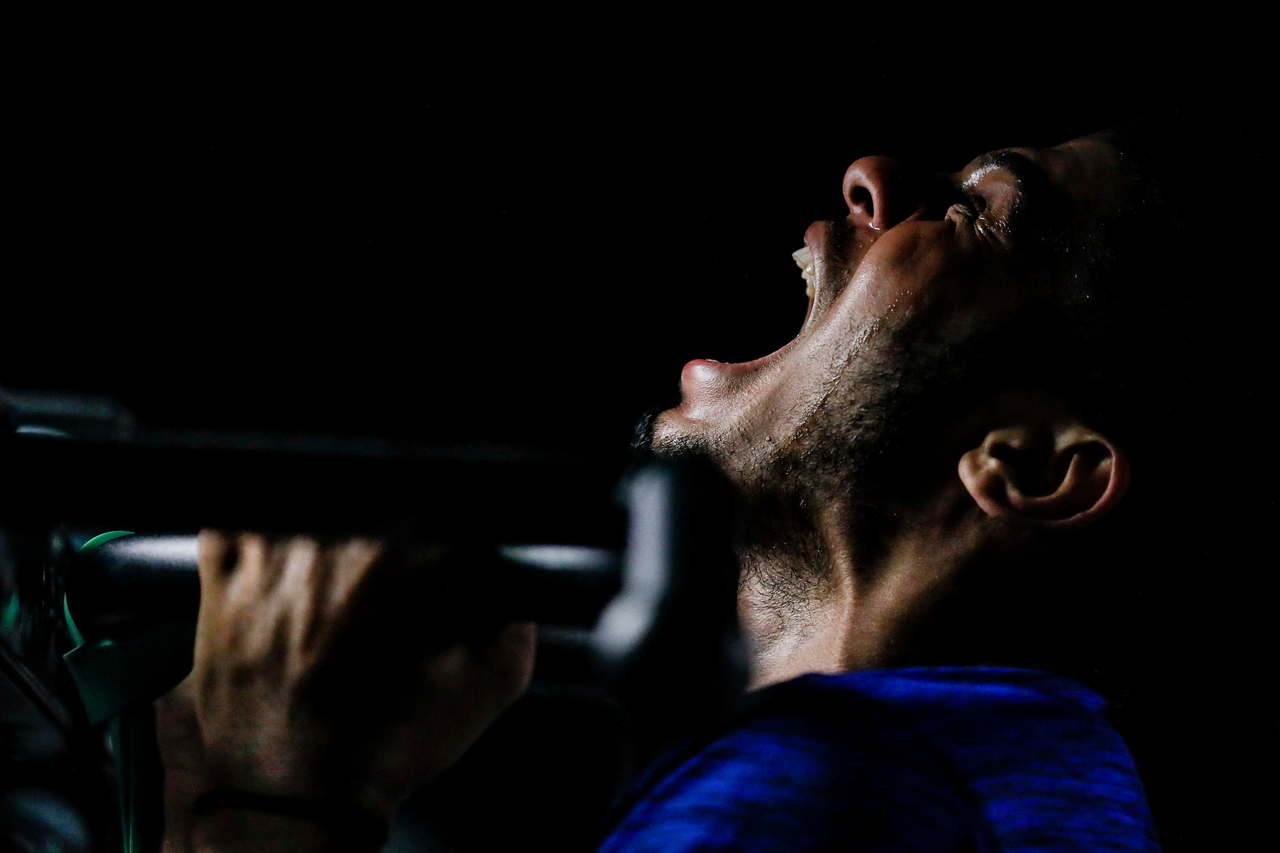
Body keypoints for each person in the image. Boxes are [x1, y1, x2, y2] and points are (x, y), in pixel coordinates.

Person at [156, 111, 1273, 852]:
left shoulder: (832, 784)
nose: (872, 178)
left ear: (1032, 469)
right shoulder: (1004, 783)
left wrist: (272, 796)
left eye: (977, 217)